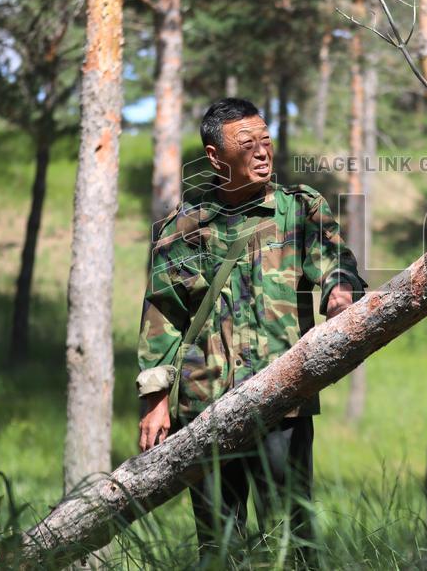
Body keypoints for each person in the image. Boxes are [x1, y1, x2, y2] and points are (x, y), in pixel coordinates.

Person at [135, 97, 366, 557]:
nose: (262, 151)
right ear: (215, 157)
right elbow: (162, 315)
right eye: (248, 144)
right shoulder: (181, 229)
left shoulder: (299, 210)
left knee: (293, 538)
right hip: (204, 409)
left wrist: (340, 292)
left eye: (266, 140)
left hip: (282, 397)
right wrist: (155, 401)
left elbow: (336, 265)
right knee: (219, 545)